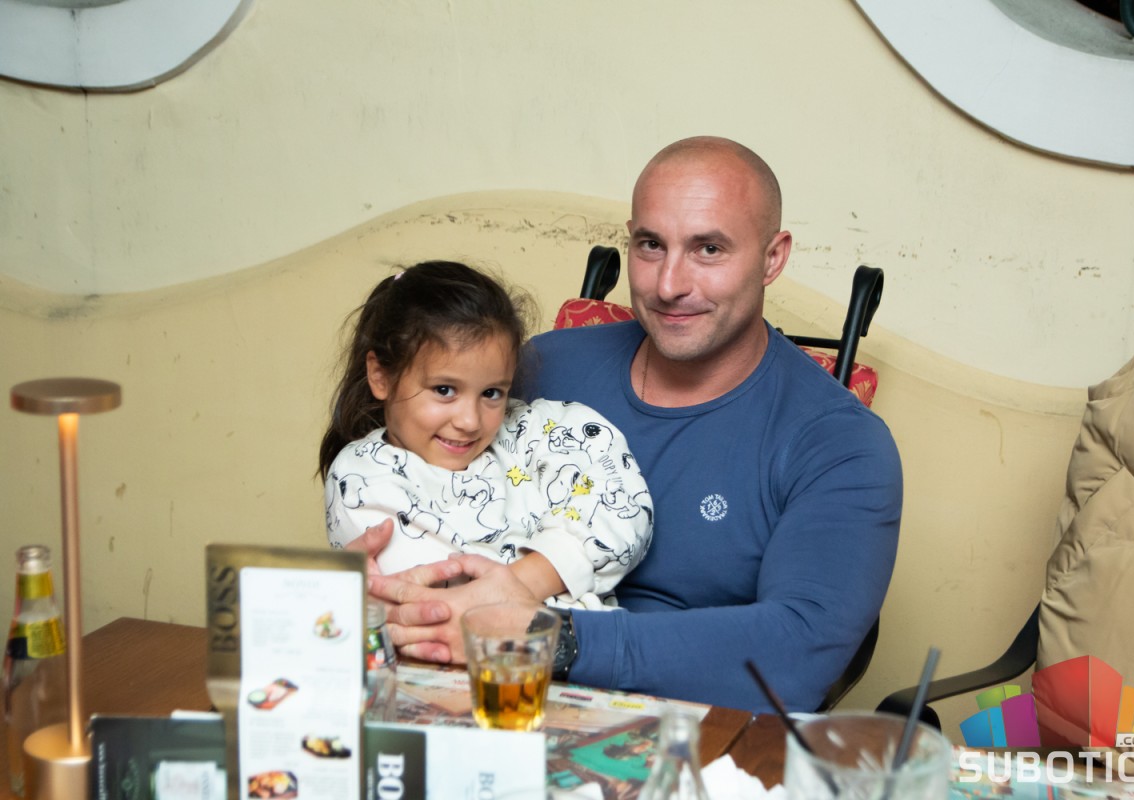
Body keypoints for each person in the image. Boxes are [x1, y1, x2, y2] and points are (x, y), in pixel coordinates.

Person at [353, 138, 903, 712]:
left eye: (708, 249)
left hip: (687, 735)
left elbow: (797, 656)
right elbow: (421, 487)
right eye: (650, 245)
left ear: (773, 258)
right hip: (478, 700)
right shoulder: (546, 366)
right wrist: (380, 581)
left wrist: (549, 637)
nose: (668, 285)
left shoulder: (839, 442)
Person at [320, 262, 653, 610]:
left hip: (593, 640)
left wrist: (523, 580)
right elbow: (439, 607)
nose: (469, 421)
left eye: (492, 393)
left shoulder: (537, 428)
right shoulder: (361, 480)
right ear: (380, 377)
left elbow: (625, 508)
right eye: (444, 390)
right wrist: (564, 559)